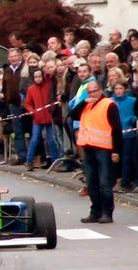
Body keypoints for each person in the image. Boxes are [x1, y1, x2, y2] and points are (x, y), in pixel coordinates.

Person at [70, 81, 122, 224]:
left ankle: (107, 212)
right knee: (91, 182)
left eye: (94, 91)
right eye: (89, 92)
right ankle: (95, 211)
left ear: (100, 90)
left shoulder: (108, 104)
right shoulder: (86, 105)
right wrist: (83, 102)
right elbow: (72, 114)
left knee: (104, 182)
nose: (92, 94)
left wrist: (116, 151)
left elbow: (116, 129)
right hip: (88, 148)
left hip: (104, 149)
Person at [24, 68, 58, 171]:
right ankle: (29, 161)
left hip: (48, 117)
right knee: (34, 140)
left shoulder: (48, 86)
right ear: (33, 78)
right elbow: (27, 103)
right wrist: (32, 111)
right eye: (36, 77)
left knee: (51, 140)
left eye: (39, 76)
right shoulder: (31, 89)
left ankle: (55, 161)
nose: (38, 79)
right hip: (37, 118)